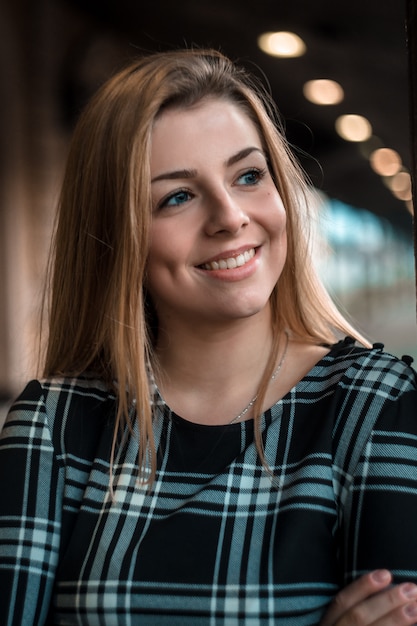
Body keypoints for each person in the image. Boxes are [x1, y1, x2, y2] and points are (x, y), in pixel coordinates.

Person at [0, 48, 416, 626]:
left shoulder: (377, 406)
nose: (229, 217)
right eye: (177, 196)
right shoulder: (55, 426)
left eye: (249, 175)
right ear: (116, 238)